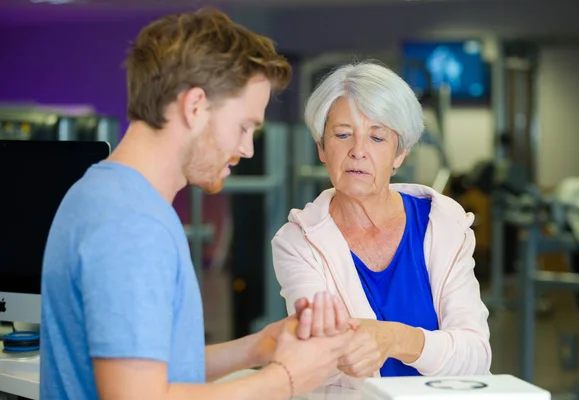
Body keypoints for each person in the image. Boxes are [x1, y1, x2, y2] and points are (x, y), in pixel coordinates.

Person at [39, 8, 353, 400]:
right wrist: (286, 379)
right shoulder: (132, 225)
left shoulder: (106, 193)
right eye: (244, 126)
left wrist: (257, 348)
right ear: (195, 107)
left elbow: (153, 369)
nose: (246, 148)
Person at [272, 61, 492, 389]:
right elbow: (323, 358)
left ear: (400, 154)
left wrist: (395, 339)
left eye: (377, 138)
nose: (358, 151)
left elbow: (475, 356)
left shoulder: (443, 224)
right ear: (321, 148)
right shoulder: (298, 241)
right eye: (343, 134)